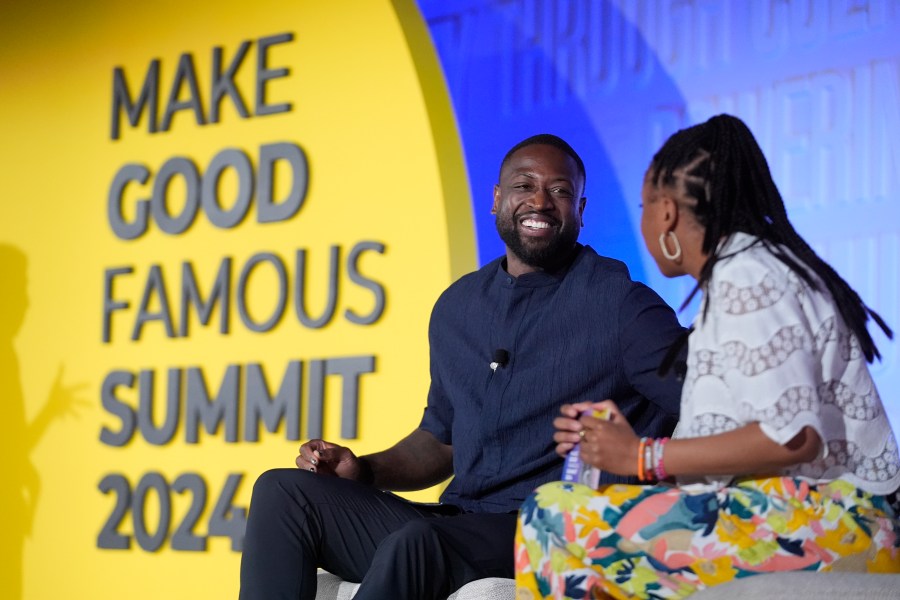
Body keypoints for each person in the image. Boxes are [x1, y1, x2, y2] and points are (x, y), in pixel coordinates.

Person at [239, 134, 685, 600]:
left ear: (580, 210)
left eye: (560, 191)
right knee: (282, 493)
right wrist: (364, 469)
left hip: (547, 529)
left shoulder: (621, 304)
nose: (540, 201)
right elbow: (440, 441)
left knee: (418, 544)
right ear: (496, 199)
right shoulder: (458, 307)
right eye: (524, 185)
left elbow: (704, 404)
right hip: (456, 520)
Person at [514, 115, 900, 599]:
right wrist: (625, 445)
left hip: (841, 524)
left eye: (643, 207)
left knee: (551, 516)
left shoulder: (749, 275)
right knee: (580, 518)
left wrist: (639, 455)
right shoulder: (747, 270)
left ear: (668, 213)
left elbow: (793, 438)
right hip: (804, 514)